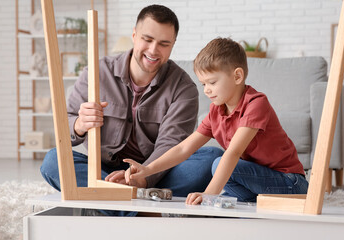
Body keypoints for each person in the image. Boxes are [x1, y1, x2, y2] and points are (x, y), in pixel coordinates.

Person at [40, 4, 223, 207]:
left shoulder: (184, 88)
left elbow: (171, 144)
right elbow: (63, 128)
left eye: (164, 43)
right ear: (134, 35)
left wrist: (142, 177)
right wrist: (79, 125)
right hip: (102, 171)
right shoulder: (98, 71)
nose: (154, 50)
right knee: (52, 161)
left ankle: (109, 201)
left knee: (211, 159)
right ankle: (141, 207)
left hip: (153, 174)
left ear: (173, 44)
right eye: (147, 39)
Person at [124, 37, 309, 204]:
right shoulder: (216, 111)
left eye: (212, 83)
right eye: (203, 84)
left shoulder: (256, 103)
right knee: (221, 191)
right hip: (255, 182)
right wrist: (148, 169)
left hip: (290, 183)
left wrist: (209, 194)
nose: (206, 90)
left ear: (237, 76)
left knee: (219, 165)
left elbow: (233, 152)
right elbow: (184, 148)